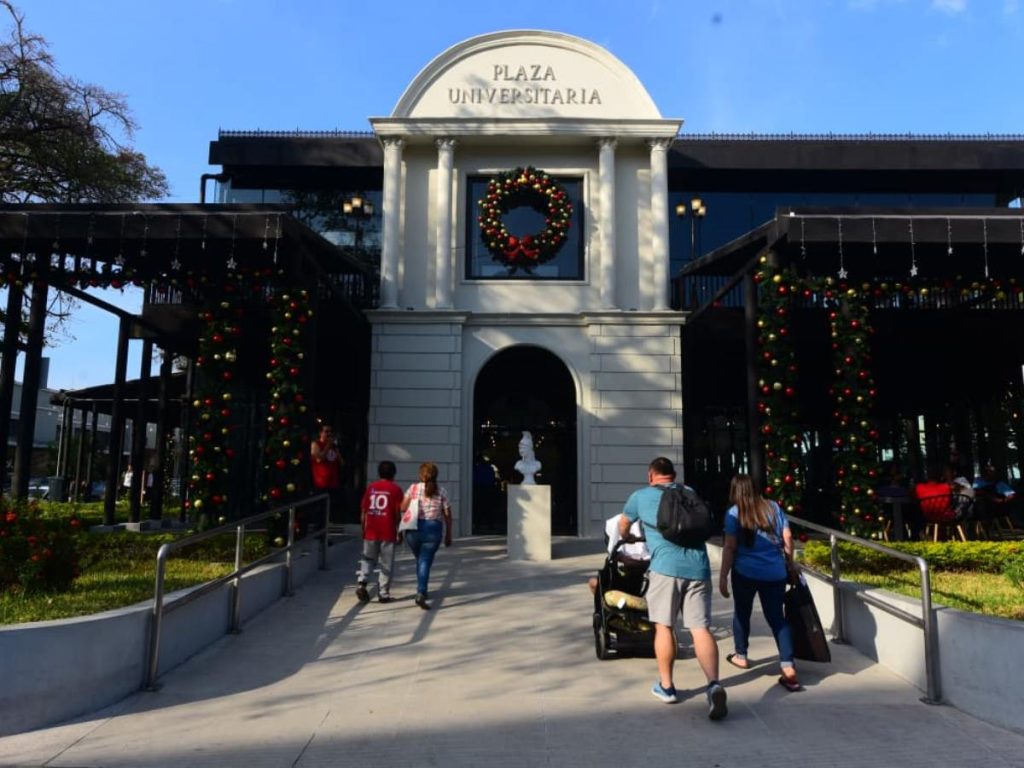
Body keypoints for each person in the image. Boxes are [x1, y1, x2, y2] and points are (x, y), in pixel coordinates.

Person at [619, 456, 727, 720]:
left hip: (666, 568)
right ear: (673, 475)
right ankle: (714, 684)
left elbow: (623, 524)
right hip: (698, 568)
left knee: (664, 627)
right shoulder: (689, 492)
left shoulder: (640, 496)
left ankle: (667, 687)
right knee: (700, 628)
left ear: (651, 475)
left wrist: (628, 536)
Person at [718, 474, 801, 692]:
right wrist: (790, 564)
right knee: (777, 617)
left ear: (735, 491)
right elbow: (788, 537)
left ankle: (741, 655)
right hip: (774, 573)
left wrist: (723, 576)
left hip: (744, 572)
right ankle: (788, 666)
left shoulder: (733, 513)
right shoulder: (773, 506)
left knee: (742, 613)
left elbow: (730, 547)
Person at [401, 462, 453, 610]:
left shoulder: (413, 488)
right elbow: (448, 514)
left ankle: (421, 589)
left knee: (420, 559)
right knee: (425, 560)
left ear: (421, 475)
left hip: (414, 529)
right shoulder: (442, 491)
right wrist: (448, 533)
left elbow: (402, 507)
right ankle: (421, 592)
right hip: (433, 528)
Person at [356, 461, 404, 604]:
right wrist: (399, 531)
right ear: (393, 474)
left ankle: (362, 582)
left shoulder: (371, 488)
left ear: (379, 473)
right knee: (386, 563)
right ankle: (383, 593)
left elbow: (364, 510)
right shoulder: (396, 490)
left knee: (368, 558)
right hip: (387, 531)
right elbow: (397, 513)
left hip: (371, 530)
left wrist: (363, 528)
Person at [310, 424, 344, 531]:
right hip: (321, 481)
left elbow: (341, 462)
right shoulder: (316, 444)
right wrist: (328, 446)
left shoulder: (333, 446)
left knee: (330, 506)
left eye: (330, 432)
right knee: (320, 507)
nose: (329, 434)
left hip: (332, 481)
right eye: (326, 431)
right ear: (321, 433)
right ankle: (319, 529)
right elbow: (319, 459)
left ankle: (327, 525)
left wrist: (336, 449)